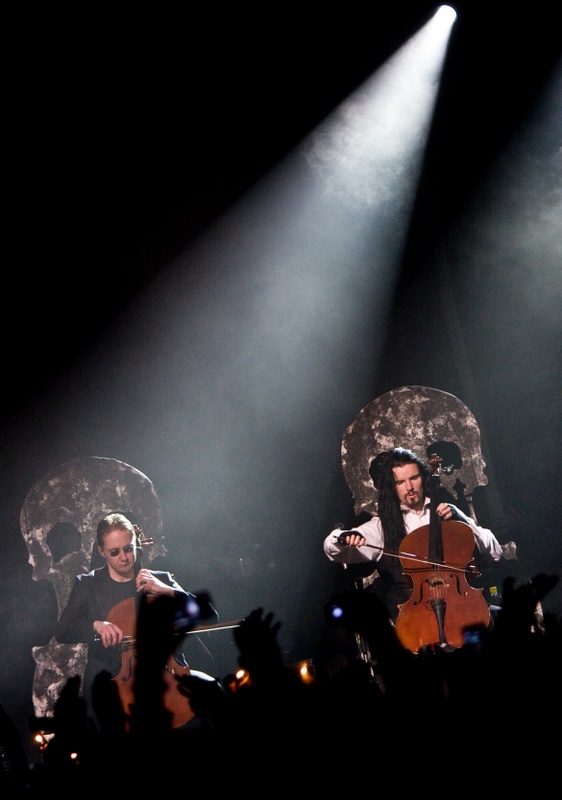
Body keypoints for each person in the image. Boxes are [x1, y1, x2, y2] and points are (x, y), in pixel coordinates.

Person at [54, 512, 218, 728]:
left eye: (128, 548)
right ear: (102, 552)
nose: (124, 557)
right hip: (114, 680)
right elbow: (63, 631)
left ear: (136, 545)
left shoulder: (159, 579)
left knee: (213, 694)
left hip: (166, 676)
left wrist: (165, 590)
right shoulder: (88, 585)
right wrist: (96, 625)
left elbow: (209, 616)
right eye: (115, 552)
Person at [324, 447, 504, 630]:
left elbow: (495, 552)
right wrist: (342, 537)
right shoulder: (382, 527)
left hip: (463, 608)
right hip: (419, 620)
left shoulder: (446, 512)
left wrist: (462, 519)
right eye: (400, 482)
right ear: (391, 486)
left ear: (423, 478)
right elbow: (336, 551)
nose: (409, 488)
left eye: (413, 478)